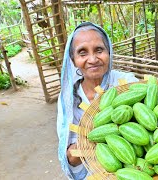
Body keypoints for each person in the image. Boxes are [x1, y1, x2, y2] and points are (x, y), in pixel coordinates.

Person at [56, 22, 138, 179]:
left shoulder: (126, 82)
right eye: (82, 53)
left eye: (99, 50)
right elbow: (71, 158)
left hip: (133, 171)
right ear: (73, 60)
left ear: (109, 52)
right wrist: (99, 138)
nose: (92, 59)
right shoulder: (69, 99)